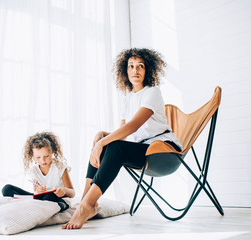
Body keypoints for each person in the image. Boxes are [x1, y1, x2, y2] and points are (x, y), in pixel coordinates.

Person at [62, 48, 182, 229]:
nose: (135, 70)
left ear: (147, 69)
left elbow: (132, 126)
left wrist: (104, 141)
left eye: (140, 66)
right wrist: (101, 136)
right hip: (144, 150)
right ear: (125, 71)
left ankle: (86, 206)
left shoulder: (152, 92)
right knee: (102, 145)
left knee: (111, 146)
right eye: (131, 66)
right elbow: (124, 133)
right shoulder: (128, 98)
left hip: (163, 151)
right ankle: (86, 204)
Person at [2, 131, 75, 211]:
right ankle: (31, 204)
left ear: (52, 151)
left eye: (46, 156)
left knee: (50, 196)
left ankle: (59, 206)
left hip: (58, 199)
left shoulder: (60, 167)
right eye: (38, 157)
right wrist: (37, 191)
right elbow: (36, 193)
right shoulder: (34, 170)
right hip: (42, 199)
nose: (43, 160)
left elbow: (72, 193)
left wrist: (64, 191)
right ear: (32, 155)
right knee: (7, 189)